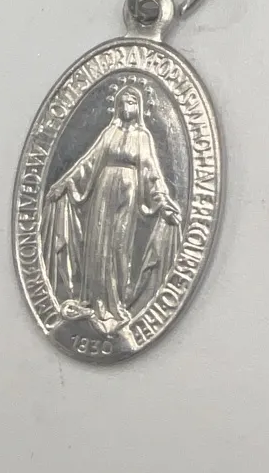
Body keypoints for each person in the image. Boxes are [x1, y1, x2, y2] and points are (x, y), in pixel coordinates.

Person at [41, 86, 182, 330]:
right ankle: (95, 300)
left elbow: (152, 173)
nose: (127, 108)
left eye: (132, 103)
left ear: (138, 108)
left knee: (118, 246)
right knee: (98, 243)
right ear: (117, 106)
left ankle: (116, 303)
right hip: (103, 189)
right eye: (123, 103)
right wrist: (65, 182)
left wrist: (163, 201)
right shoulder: (109, 132)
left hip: (128, 192)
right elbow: (89, 162)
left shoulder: (143, 137)